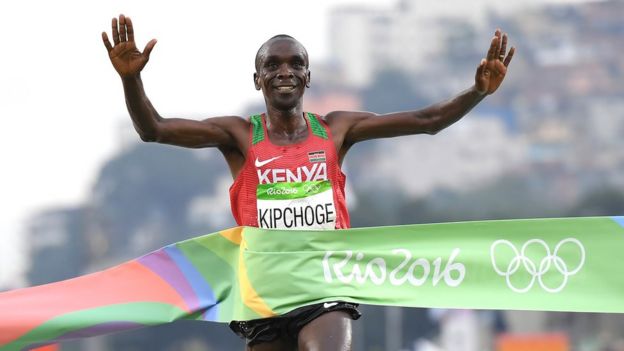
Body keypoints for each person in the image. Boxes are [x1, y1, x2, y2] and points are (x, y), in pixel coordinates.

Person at [101, 14, 515, 351]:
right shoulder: (240, 136)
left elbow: (429, 121)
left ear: (308, 77)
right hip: (264, 293)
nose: (285, 71)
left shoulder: (336, 129)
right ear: (257, 79)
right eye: (273, 65)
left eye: (296, 64)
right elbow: (153, 129)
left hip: (325, 282)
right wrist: (131, 79)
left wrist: (476, 91)